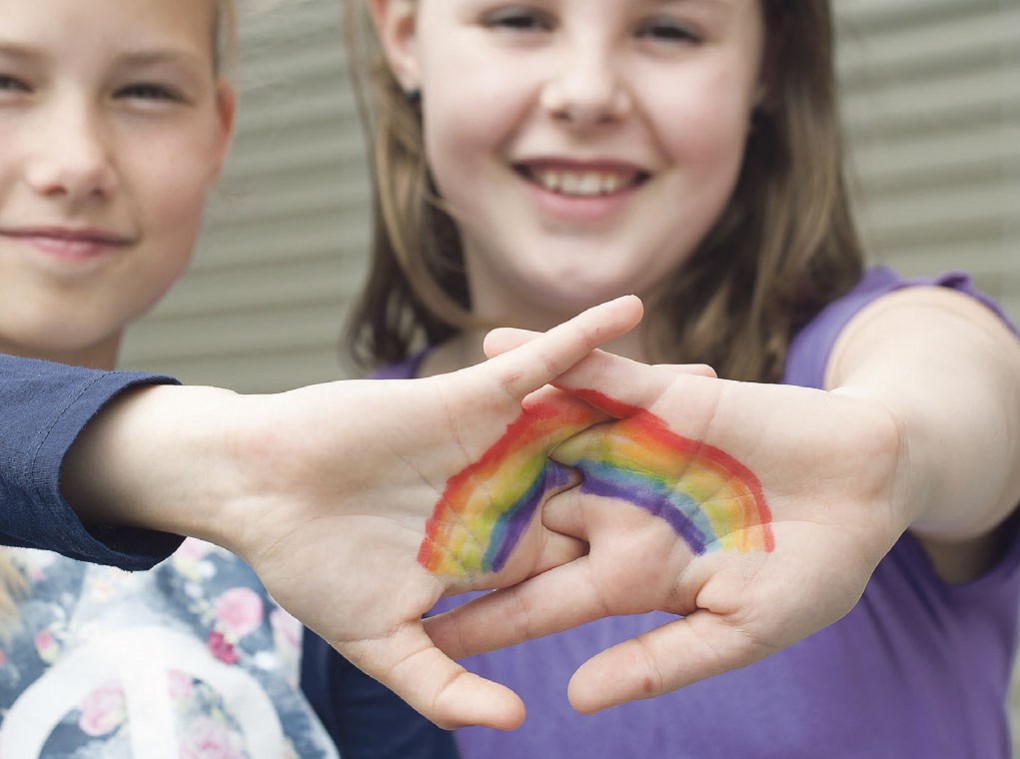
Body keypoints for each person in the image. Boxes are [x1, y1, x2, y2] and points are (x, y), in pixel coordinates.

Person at [321, 0, 1020, 756]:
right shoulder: (340, 476)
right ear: (404, 36)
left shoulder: (866, 362)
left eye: (669, 30)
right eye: (520, 18)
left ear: (767, 67)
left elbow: (968, 391)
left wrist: (891, 450)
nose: (588, 92)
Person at [0, 0, 649, 753]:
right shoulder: (268, 482)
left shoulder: (304, 556)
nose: (77, 164)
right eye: (5, 82)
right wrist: (229, 465)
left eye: (147, 91)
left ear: (220, 130)